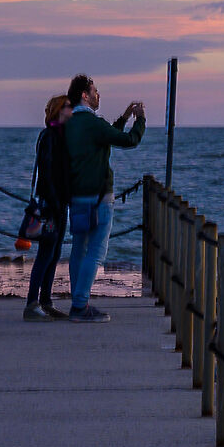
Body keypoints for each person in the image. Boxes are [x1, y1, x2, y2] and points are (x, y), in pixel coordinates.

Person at [59, 73, 145, 322]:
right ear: (84, 95)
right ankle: (80, 305)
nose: (98, 95)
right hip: (98, 198)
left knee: (79, 250)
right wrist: (140, 119)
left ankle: (77, 301)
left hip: (77, 197)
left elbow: (105, 136)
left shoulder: (70, 123)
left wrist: (124, 118)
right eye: (94, 91)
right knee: (96, 252)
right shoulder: (92, 122)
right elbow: (128, 140)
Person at [22, 94, 74, 321]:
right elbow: (46, 172)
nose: (72, 110)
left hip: (60, 203)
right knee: (46, 253)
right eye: (68, 106)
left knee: (54, 253)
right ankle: (32, 303)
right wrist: (53, 201)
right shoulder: (49, 136)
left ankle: (45, 301)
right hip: (51, 205)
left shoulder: (62, 136)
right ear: (59, 110)